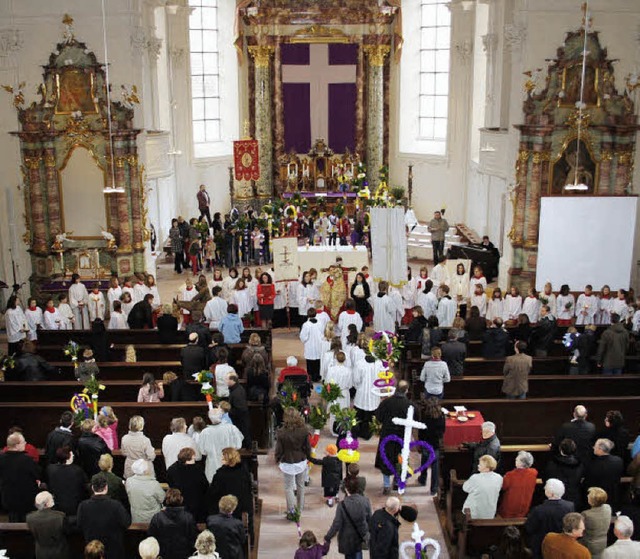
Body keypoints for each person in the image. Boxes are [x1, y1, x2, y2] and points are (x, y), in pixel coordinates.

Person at [77, 474, 130, 559]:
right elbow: (126, 523)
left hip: (93, 551)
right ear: (106, 488)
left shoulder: (83, 506)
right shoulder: (116, 505)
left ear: (93, 488)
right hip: (114, 551)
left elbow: (79, 525)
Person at [206, 447, 254, 538]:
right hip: (243, 506)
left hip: (227, 508)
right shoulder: (244, 471)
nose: (221, 459)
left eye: (223, 458)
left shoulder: (220, 475)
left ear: (229, 459)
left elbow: (213, 493)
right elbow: (248, 488)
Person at [374, 380, 412, 494]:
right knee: (400, 458)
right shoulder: (409, 404)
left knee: (386, 458)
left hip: (387, 434)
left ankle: (386, 485)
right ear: (406, 391)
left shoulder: (387, 402)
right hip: (402, 435)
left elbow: (379, 417)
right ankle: (397, 482)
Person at [324, 476, 372, 559]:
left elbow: (337, 524)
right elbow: (370, 519)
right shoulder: (365, 501)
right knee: (358, 553)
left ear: (346, 489)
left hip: (347, 537)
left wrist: (328, 537)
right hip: (361, 534)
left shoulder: (342, 505)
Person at [525, 479, 575, 559]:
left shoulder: (538, 510)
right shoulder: (570, 506)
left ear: (550, 494)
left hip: (541, 547)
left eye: (546, 489)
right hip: (561, 546)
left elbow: (529, 528)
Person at [275, 407, 311, 515]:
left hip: (288, 461)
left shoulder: (281, 432)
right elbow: (307, 447)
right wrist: (308, 457)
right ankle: (299, 510)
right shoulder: (304, 430)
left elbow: (279, 449)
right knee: (300, 486)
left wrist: (277, 458)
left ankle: (292, 512)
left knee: (289, 488)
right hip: (300, 460)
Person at [0, 431, 40, 521]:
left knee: (12, 518)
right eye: (23, 442)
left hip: (8, 497)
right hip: (25, 498)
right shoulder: (28, 460)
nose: (25, 444)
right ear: (17, 445)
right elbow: (36, 475)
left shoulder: (1, 459)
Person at [148, 488, 198, 559]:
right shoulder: (188, 517)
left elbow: (151, 538)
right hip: (184, 555)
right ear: (181, 499)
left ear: (166, 500)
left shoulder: (157, 518)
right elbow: (193, 539)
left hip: (163, 555)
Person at [198, 408, 244, 482]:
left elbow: (203, 451)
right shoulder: (231, 428)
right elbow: (239, 445)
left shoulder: (205, 432)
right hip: (230, 462)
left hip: (213, 466)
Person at [27, 491, 70, 559]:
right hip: (59, 552)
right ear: (48, 503)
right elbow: (67, 532)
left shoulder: (30, 518)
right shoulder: (60, 516)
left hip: (40, 553)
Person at [46, 446, 88, 515]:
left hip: (57, 505)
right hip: (73, 505)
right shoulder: (77, 471)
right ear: (68, 457)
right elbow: (84, 485)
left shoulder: (51, 469)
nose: (73, 455)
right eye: (71, 454)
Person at [583, 438, 624, 509]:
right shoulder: (618, 461)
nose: (593, 447)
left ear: (600, 449)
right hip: (613, 495)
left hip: (597, 498)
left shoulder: (592, 464)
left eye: (595, 446)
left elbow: (588, 482)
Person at [544, 438, 584, 507]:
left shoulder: (553, 464)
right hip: (574, 497)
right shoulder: (580, 465)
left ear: (561, 450)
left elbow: (547, 478)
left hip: (557, 497)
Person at [417, 397, 446, 493]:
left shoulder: (425, 415)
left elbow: (421, 430)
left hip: (426, 442)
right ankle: (434, 488)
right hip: (435, 443)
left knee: (424, 461)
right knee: (435, 466)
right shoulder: (441, 416)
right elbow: (442, 430)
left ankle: (423, 479)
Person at [498, 451, 538, 518]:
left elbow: (503, 487)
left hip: (509, 509)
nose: (515, 460)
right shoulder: (533, 473)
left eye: (517, 460)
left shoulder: (510, 475)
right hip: (524, 508)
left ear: (522, 463)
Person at [462, 454, 503, 519]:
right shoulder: (499, 478)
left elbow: (465, 488)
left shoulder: (475, 477)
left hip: (473, 514)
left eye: (480, 465)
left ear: (487, 468)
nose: (478, 465)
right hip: (490, 514)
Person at [206, 495, 247, 559]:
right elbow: (243, 540)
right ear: (234, 508)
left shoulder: (211, 520)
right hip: (233, 555)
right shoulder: (238, 524)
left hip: (215, 554)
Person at [126, 459, 165, 523]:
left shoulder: (129, 482)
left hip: (136, 517)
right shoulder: (154, 484)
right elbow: (162, 498)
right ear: (145, 471)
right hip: (153, 518)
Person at [121, 415, 156, 479]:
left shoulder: (124, 438)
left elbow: (123, 453)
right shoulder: (145, 440)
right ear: (141, 426)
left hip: (129, 467)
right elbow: (151, 456)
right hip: (144, 469)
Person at [581, 487, 611, 559]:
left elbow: (580, 529)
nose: (587, 496)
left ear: (592, 501)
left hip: (589, 543)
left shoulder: (586, 514)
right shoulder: (608, 508)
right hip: (603, 542)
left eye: (589, 495)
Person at [300, 307, 325, 382]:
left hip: (310, 346)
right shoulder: (320, 323)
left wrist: (304, 341)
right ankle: (317, 377)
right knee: (318, 362)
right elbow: (323, 333)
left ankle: (310, 377)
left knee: (310, 363)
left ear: (308, 315)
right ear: (315, 314)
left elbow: (303, 337)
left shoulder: (306, 325)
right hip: (318, 345)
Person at [227, 372, 251, 447]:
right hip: (240, 420)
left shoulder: (237, 392)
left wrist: (228, 411)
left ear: (232, 380)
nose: (225, 381)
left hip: (240, 421)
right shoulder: (236, 389)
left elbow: (240, 409)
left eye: (227, 379)